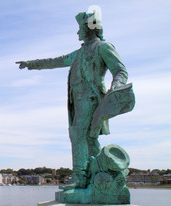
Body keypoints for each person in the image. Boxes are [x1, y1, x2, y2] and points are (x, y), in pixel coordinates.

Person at [17, 11, 129, 190]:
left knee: (77, 133)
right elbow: (55, 61)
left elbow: (120, 71)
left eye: (80, 29)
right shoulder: (78, 53)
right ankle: (101, 170)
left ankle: (80, 176)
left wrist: (116, 86)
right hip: (77, 102)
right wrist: (31, 63)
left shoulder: (103, 47)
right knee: (89, 138)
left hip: (92, 97)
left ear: (89, 29)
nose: (77, 33)